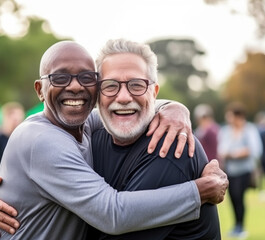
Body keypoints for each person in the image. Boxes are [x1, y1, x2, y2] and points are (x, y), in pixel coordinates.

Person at [0, 41, 228, 239]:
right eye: (60, 78)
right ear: (40, 90)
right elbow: (112, 213)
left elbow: (126, 107)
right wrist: (200, 191)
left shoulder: (85, 125)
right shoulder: (40, 139)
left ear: (94, 89)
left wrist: (174, 107)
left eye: (86, 78)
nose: (75, 87)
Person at [86, 39, 221, 239]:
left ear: (154, 92)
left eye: (136, 85)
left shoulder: (173, 144)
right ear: (98, 95)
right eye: (111, 85)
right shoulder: (92, 140)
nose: (123, 97)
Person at [218, 101, 262, 238]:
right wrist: (236, 152)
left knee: (239, 197)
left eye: (231, 116)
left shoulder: (249, 130)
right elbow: (222, 149)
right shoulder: (226, 131)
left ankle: (241, 226)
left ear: (239, 116)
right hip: (230, 171)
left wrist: (235, 153)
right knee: (232, 198)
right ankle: (236, 225)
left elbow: (254, 150)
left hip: (244, 170)